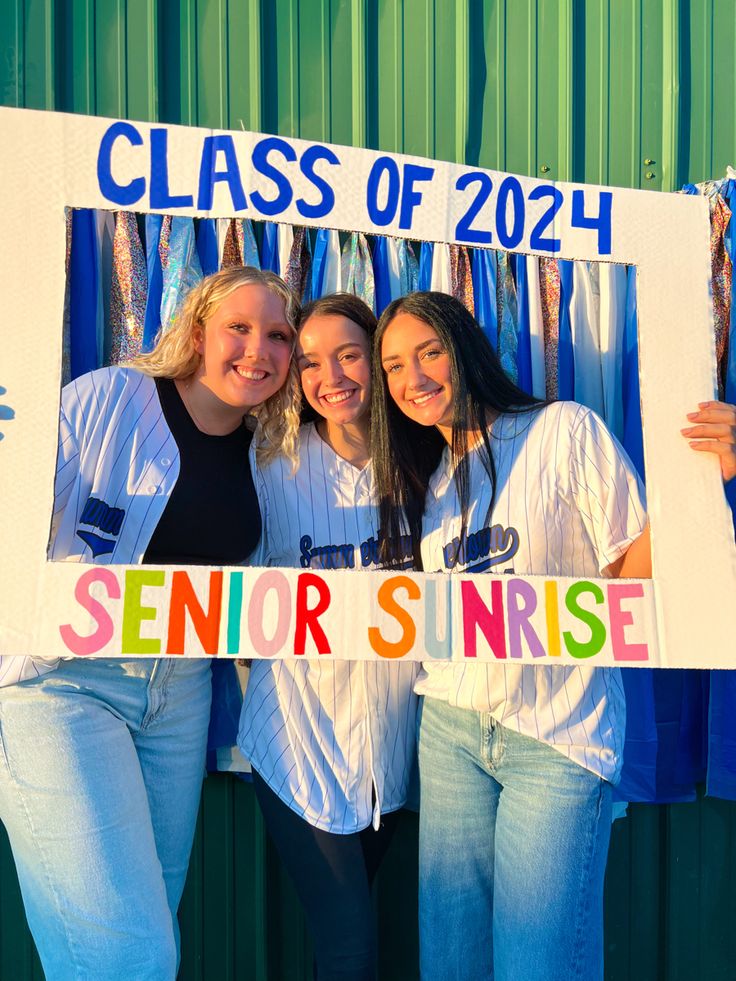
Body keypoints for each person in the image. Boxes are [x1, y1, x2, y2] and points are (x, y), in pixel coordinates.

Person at [370, 290, 736, 981]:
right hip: (450, 731)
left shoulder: (563, 431)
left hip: (558, 733)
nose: (413, 379)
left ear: (465, 348)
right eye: (393, 366)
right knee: (451, 962)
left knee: (538, 965)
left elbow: (629, 573)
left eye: (428, 352)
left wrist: (696, 487)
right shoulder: (432, 477)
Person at [0, 266, 301, 981]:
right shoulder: (110, 398)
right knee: (125, 956)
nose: (257, 348)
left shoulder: (270, 451)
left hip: (180, 693)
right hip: (64, 686)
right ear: (197, 331)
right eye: (239, 327)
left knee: (146, 929)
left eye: (279, 335)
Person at [238, 293, 418, 981]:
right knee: (351, 951)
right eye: (310, 361)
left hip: (389, 757)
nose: (331, 375)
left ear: (377, 357)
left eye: (348, 354)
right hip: (299, 745)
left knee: (346, 950)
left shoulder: (422, 464)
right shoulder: (269, 462)